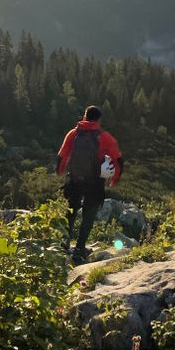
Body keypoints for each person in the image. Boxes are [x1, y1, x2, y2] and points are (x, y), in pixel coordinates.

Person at [57, 105, 123, 264]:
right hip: (94, 183)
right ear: (99, 120)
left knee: (70, 211)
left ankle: (64, 244)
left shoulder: (73, 134)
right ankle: (79, 249)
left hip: (75, 179)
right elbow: (118, 160)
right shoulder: (104, 137)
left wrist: (59, 172)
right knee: (89, 215)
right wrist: (114, 179)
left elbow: (62, 155)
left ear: (85, 116)